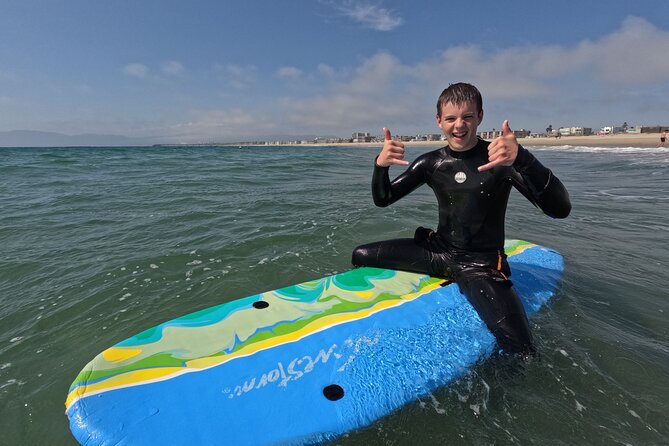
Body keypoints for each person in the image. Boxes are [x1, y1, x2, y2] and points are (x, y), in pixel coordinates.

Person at [351, 83, 571, 357]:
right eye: (451, 118)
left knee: (521, 349)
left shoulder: (500, 160)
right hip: (439, 252)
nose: (459, 125)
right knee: (360, 255)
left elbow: (559, 209)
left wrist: (523, 158)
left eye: (467, 117)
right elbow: (383, 199)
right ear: (439, 122)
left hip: (481, 265)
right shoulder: (432, 162)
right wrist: (380, 166)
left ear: (480, 116)